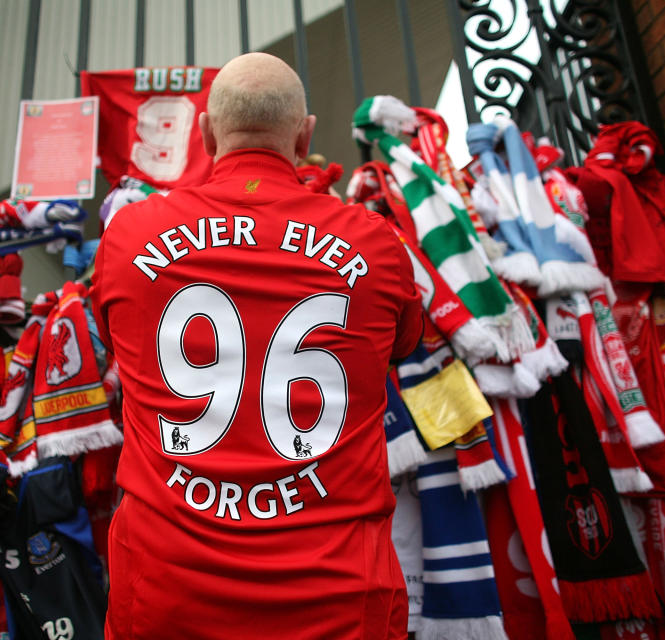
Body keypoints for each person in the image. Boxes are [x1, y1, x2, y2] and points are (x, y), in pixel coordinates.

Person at [92, 52, 423, 640]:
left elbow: (119, 343)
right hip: (340, 598)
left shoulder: (128, 236)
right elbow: (402, 344)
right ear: (306, 134)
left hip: (166, 596)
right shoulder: (376, 244)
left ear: (204, 131)